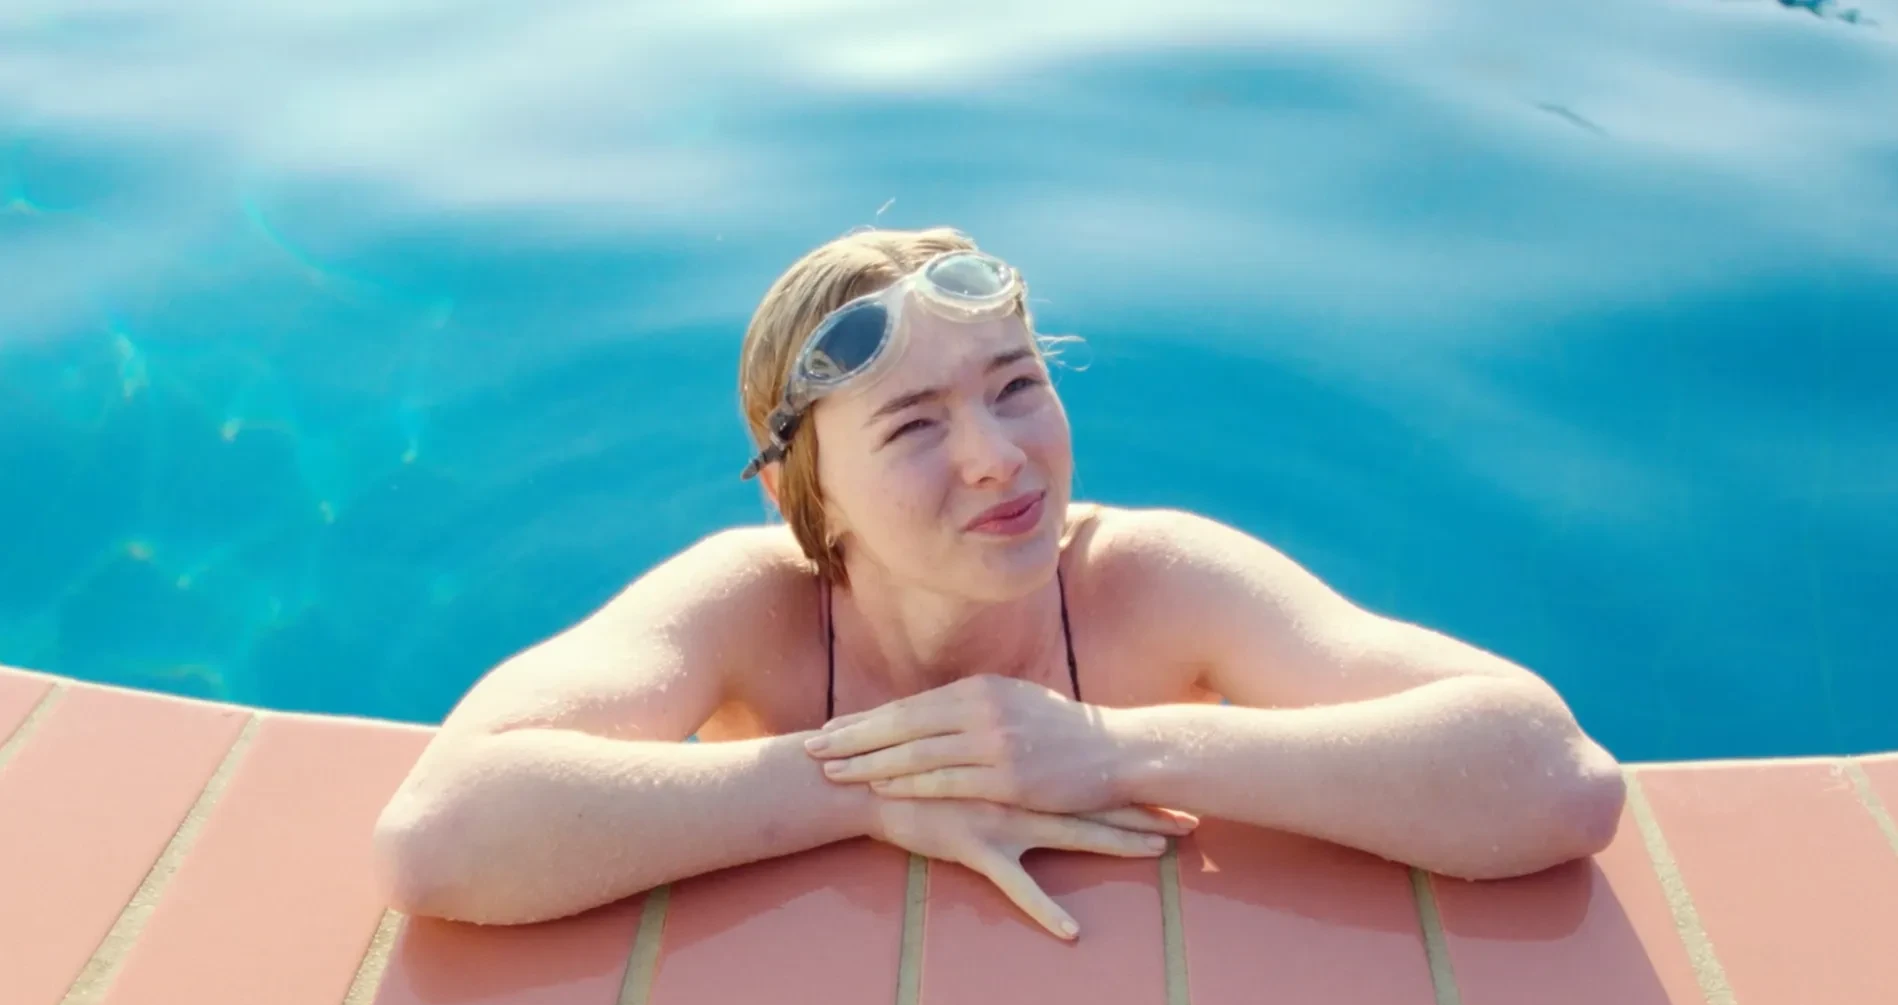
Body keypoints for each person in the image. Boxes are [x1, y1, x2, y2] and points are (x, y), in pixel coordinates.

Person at [371, 227, 1625, 940]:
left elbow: (1554, 779)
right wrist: (874, 787)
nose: (998, 457)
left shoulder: (1145, 579)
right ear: (806, 497)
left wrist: (1111, 750)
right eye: (914, 425)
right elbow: (443, 836)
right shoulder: (750, 604)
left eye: (1016, 385)